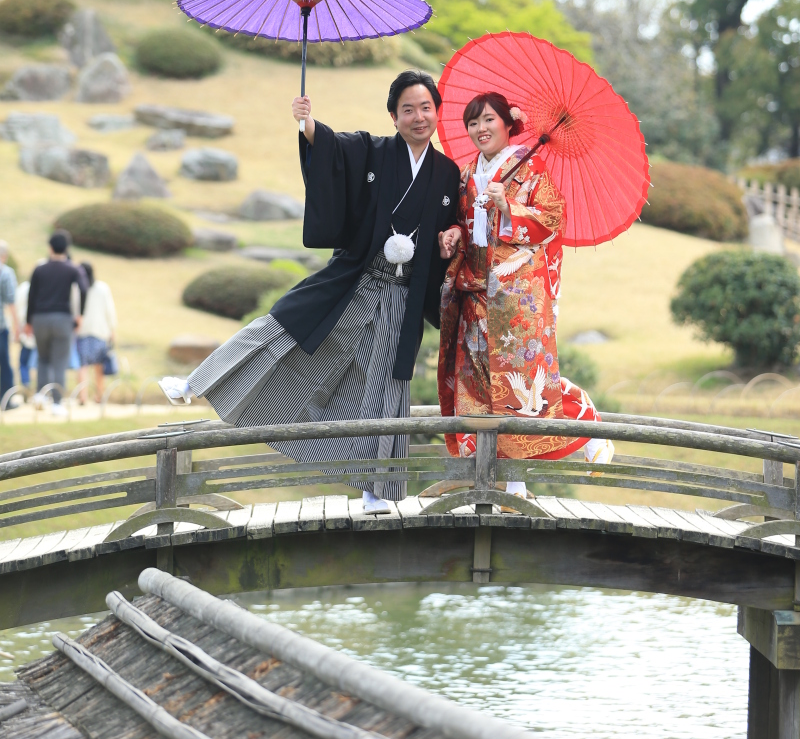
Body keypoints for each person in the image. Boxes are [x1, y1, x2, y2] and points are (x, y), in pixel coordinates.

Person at [163, 70, 460, 513]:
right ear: (393, 117)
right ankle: (197, 380)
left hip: (402, 296)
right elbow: (334, 150)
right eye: (408, 110)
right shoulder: (375, 152)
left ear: (438, 112)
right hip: (357, 278)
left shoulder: (447, 172)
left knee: (386, 386)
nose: (418, 117)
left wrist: (451, 233)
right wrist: (308, 125)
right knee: (284, 325)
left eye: (426, 108)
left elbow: (455, 223)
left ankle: (377, 491)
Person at [437, 92, 613, 499]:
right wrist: (453, 234)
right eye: (473, 123)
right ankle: (488, 481)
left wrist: (510, 206)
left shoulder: (531, 169)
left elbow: (552, 219)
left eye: (489, 120)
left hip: (516, 298)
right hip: (475, 292)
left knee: (522, 388)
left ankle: (584, 428)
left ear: (508, 123)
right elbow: (467, 225)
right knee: (479, 388)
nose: (480, 129)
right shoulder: (467, 174)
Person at [25, 231, 86, 415]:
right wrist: (80, 314)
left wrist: (28, 321)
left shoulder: (39, 269)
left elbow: (31, 296)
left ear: (50, 247)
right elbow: (83, 289)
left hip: (40, 318)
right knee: (59, 362)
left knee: (43, 358)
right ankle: (57, 404)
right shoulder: (73, 269)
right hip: (62, 319)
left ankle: (40, 396)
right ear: (67, 248)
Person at [75, 263, 117, 404]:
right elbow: (109, 310)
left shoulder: (77, 288)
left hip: (83, 331)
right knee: (99, 366)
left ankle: (83, 396)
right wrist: (112, 329)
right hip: (101, 331)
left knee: (83, 366)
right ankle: (99, 396)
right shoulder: (102, 288)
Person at [0, 241, 18, 402]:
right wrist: (17, 326)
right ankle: (6, 400)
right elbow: (11, 301)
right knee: (4, 363)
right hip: (0, 326)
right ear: (4, 256)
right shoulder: (5, 273)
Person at [14, 278, 37, 388]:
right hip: (38, 329)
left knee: (24, 361)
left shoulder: (23, 288)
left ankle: (26, 384)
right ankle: (39, 388)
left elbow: (17, 308)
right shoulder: (44, 287)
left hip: (26, 329)